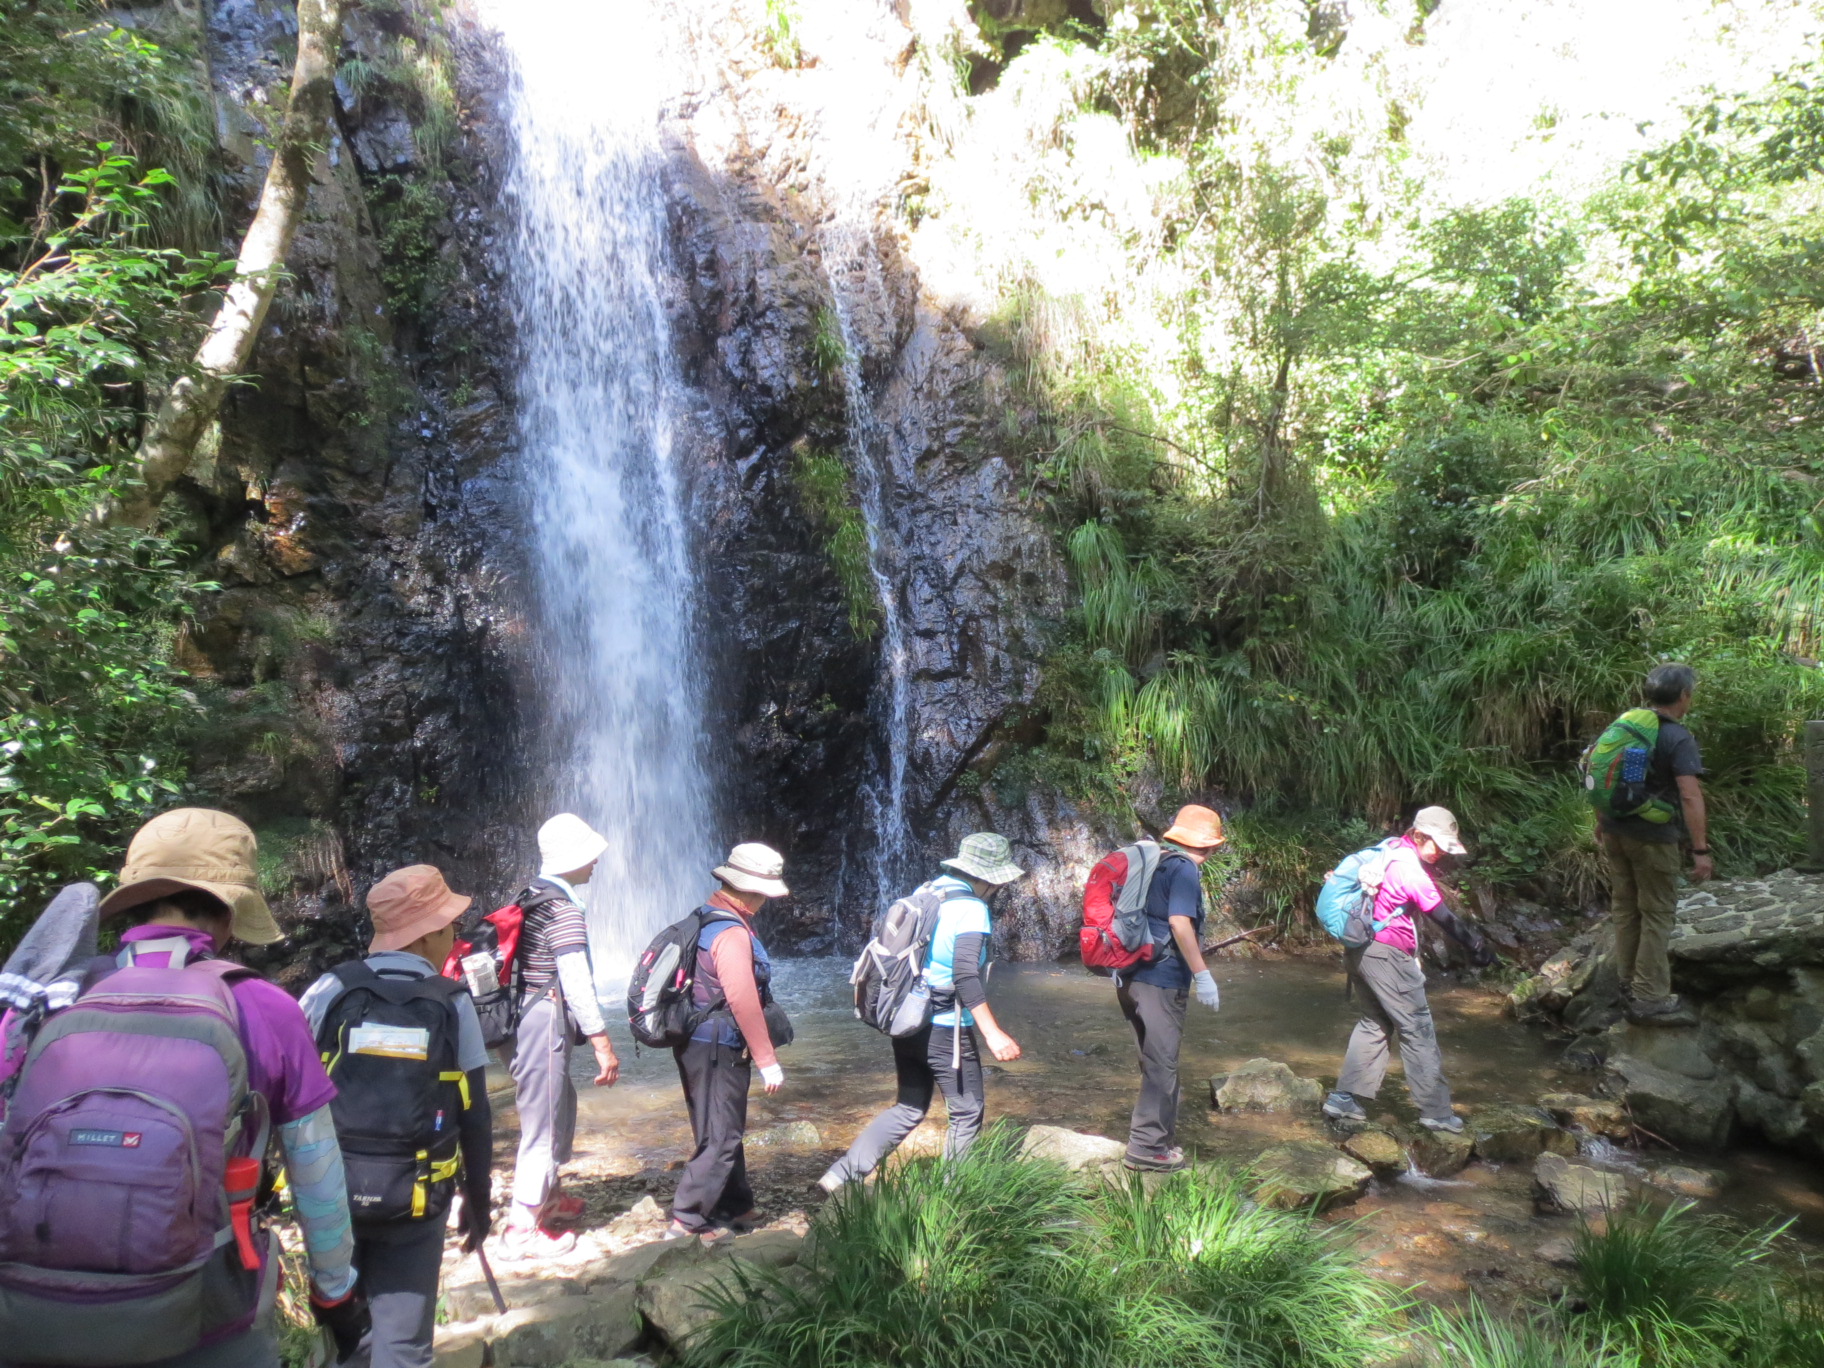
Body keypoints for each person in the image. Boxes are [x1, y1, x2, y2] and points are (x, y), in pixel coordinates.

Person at [0, 808, 366, 1368]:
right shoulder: (263, 1008)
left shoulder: (54, 999)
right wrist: (335, 1293)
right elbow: (316, 1171)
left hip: (31, 1317)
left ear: (136, 902)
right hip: (206, 1319)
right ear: (227, 912)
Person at [300, 866, 493, 1368]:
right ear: (429, 932)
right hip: (416, 1192)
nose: (455, 933)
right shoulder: (452, 1003)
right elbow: (474, 1111)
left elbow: (292, 1090)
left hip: (332, 1190)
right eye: (450, 922)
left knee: (347, 1338)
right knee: (404, 1344)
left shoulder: (330, 988)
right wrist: (479, 1199)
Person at [817, 833, 1026, 1192]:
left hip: (908, 1019)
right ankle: (952, 1198)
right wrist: (993, 1032)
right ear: (990, 878)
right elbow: (964, 974)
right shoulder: (973, 909)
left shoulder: (928, 892)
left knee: (909, 1107)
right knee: (966, 1111)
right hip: (945, 1028)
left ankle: (836, 1179)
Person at [1323, 806, 1494, 1134]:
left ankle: (1344, 1098)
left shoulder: (1389, 849)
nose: (1441, 853)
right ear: (1418, 835)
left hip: (1360, 949)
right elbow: (1443, 917)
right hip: (1387, 957)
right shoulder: (1409, 869)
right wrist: (1477, 946)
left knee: (1375, 1022)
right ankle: (1436, 1111)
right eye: (1437, 845)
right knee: (1417, 1028)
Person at [502, 813, 622, 1257]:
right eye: (590, 854)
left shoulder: (533, 893)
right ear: (571, 857)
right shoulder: (563, 908)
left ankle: (549, 1196)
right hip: (543, 1016)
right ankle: (521, 1230)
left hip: (525, 1016)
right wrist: (602, 1042)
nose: (596, 861)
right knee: (544, 1122)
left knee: (558, 1103)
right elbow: (575, 982)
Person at [668, 843, 790, 1242]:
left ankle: (734, 1205)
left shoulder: (704, 917)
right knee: (721, 1137)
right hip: (719, 1046)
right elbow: (743, 1000)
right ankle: (687, 1218)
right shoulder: (733, 933)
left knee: (719, 1127)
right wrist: (767, 1058)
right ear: (753, 890)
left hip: (694, 1040)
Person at [1598, 663, 1712, 1026]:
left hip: (1615, 830)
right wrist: (1700, 850)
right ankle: (1649, 996)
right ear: (1683, 696)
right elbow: (1690, 796)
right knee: (1657, 913)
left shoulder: (1633, 727)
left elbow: (1620, 781)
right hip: (1652, 839)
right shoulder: (1676, 737)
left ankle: (1627, 984)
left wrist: (1602, 822)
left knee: (1627, 909)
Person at [1115, 805, 1225, 1172]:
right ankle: (1147, 1149)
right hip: (1160, 981)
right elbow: (1180, 924)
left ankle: (1157, 1140)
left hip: (1129, 977)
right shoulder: (1185, 870)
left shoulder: (1155, 862)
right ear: (1210, 847)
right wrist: (1203, 974)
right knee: (1163, 1065)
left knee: (1151, 1062)